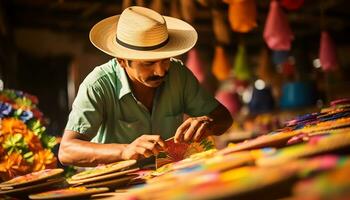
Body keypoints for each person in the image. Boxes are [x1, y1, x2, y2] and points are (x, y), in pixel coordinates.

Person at [58, 6, 233, 167]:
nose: (161, 71)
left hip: (168, 180)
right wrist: (125, 151)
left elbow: (224, 118)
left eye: (165, 59)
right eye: (149, 63)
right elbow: (66, 151)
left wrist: (208, 124)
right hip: (115, 187)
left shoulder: (178, 74)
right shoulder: (97, 85)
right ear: (121, 60)